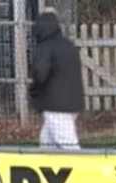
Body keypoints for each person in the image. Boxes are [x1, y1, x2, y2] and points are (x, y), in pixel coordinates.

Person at [29, 10, 84, 150]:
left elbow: (40, 74)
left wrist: (34, 92)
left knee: (68, 145)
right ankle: (47, 169)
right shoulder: (68, 46)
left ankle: (82, 170)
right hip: (73, 102)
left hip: (55, 105)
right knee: (47, 142)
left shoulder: (46, 47)